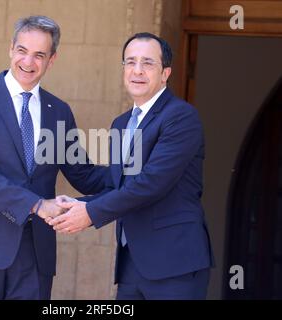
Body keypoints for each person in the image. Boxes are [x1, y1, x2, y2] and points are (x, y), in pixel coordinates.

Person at [0, 15, 106, 300]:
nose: (28, 62)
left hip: (34, 257)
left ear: (52, 59)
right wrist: (36, 205)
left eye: (39, 55)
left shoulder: (59, 111)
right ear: (11, 48)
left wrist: (136, 171)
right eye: (22, 51)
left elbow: (84, 174)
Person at [50, 32, 214, 300]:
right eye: (130, 62)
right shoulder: (122, 123)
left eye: (148, 63)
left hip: (175, 264)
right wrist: (59, 146)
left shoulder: (181, 117)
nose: (137, 70)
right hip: (132, 264)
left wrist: (90, 212)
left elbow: (151, 184)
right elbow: (116, 184)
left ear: (165, 73)